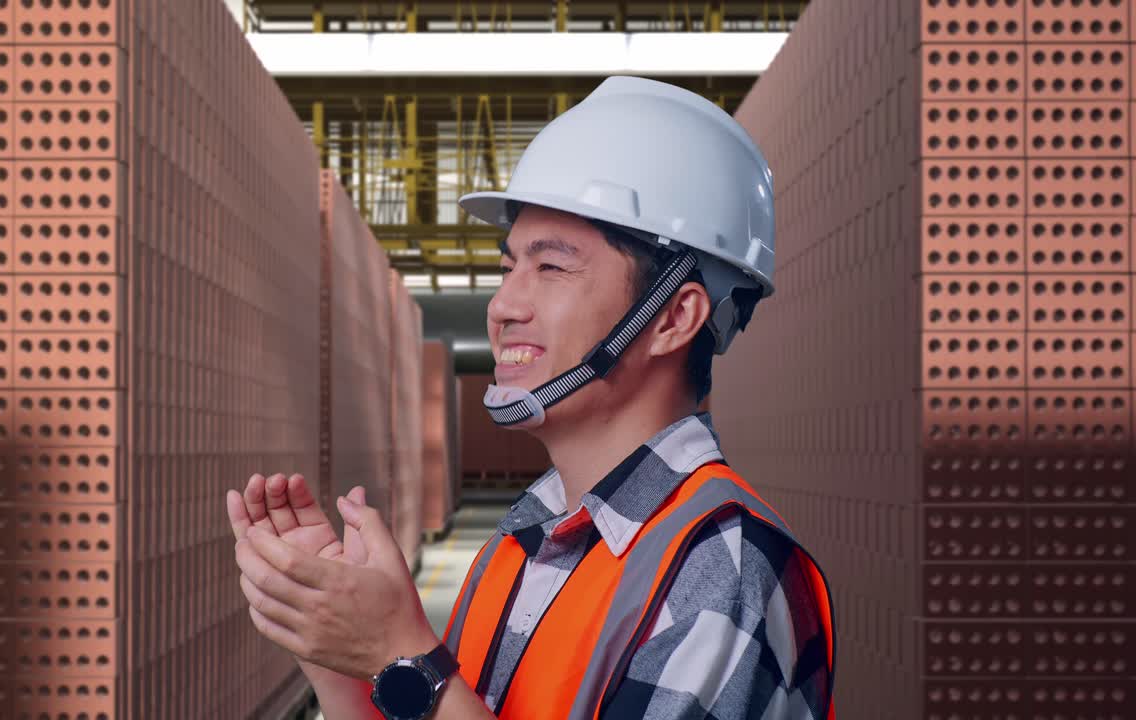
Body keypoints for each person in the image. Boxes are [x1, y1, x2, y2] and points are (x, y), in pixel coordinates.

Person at [226, 75, 837, 720]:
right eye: (508, 266)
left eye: (551, 267)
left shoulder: (722, 565)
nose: (502, 305)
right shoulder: (530, 533)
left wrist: (400, 653)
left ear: (673, 318)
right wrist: (339, 658)